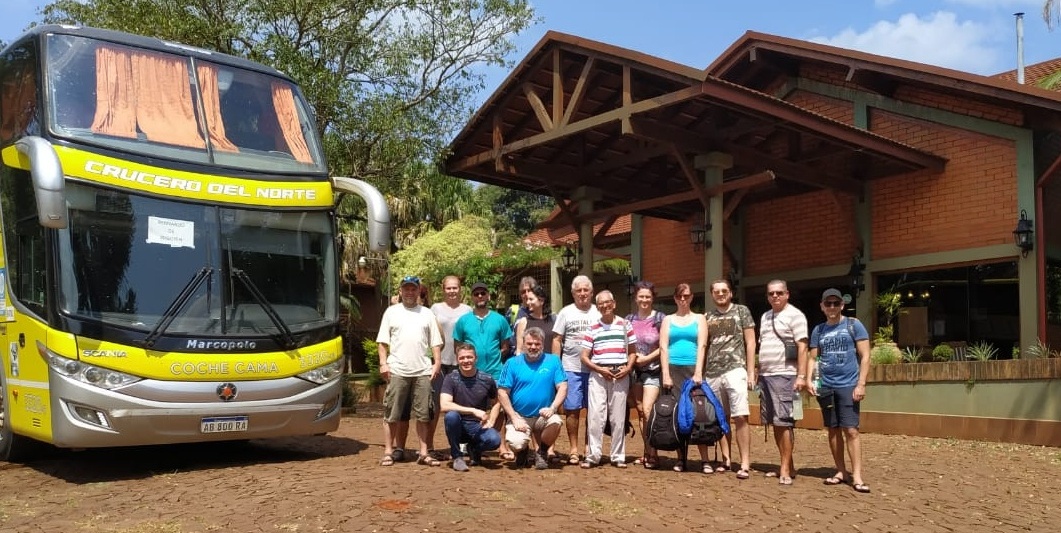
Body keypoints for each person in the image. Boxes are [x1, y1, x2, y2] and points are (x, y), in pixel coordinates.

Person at [808, 288, 872, 494]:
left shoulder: (854, 325)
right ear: (822, 306)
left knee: (851, 430)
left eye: (836, 303)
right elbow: (813, 359)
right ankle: (841, 471)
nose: (832, 307)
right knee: (833, 429)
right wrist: (812, 381)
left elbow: (866, 356)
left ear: (842, 305)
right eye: (828, 304)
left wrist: (861, 384)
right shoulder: (818, 330)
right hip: (826, 385)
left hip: (848, 385)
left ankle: (857, 476)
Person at [376, 275, 443, 467]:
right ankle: (389, 451)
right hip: (397, 369)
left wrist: (436, 362)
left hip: (422, 370)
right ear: (400, 290)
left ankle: (423, 452)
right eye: (406, 288)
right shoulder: (391, 312)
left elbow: (435, 342)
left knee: (424, 414)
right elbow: (382, 342)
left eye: (413, 289)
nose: (409, 292)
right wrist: (383, 363)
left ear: (418, 291)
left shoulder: (427, 313)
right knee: (392, 413)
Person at [700, 279, 756, 479]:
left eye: (724, 291)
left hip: (735, 370)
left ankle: (745, 463)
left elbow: (750, 342)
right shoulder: (707, 317)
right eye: (716, 291)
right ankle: (726, 459)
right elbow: (704, 346)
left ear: (731, 293)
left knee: (740, 416)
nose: (721, 294)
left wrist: (750, 371)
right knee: (720, 419)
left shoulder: (742, 311)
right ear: (712, 295)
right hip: (713, 372)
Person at [453, 282, 514, 457]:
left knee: (500, 407)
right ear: (472, 297)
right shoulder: (464, 320)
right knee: (468, 407)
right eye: (476, 294)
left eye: (483, 293)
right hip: (470, 373)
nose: (480, 296)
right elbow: (458, 346)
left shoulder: (499, 319)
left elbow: (505, 345)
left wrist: (492, 357)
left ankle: (499, 444)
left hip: (495, 371)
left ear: (488, 296)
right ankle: (470, 442)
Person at [757, 280, 809, 486]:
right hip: (767, 376)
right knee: (775, 422)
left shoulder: (795, 315)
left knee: (784, 421)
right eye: (771, 294)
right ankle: (789, 465)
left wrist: (801, 376)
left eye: (779, 293)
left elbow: (802, 347)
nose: (775, 296)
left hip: (786, 375)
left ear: (787, 294)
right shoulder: (765, 316)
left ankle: (785, 469)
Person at [578, 290, 637, 468]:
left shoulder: (625, 324)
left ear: (614, 303)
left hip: (620, 374)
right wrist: (599, 369)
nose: (605, 306)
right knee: (596, 416)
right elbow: (584, 356)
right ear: (598, 307)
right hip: (598, 374)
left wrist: (627, 368)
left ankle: (618, 456)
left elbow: (633, 352)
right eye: (601, 303)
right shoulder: (593, 327)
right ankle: (593, 455)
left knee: (618, 417)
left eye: (608, 302)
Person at [497, 327, 568, 470]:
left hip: (543, 415)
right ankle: (522, 452)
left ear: (542, 344)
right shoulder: (512, 363)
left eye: (537, 344)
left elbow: (563, 387)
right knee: (516, 443)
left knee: (556, 422)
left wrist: (553, 408)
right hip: (520, 417)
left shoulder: (553, 361)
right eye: (529, 344)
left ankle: (541, 452)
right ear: (523, 343)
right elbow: (502, 392)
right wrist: (513, 416)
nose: (533, 347)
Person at [551, 275, 601, 465]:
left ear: (591, 292)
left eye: (585, 290)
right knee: (572, 410)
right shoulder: (566, 312)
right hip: (570, 367)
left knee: (593, 410)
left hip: (595, 368)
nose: (582, 294)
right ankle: (573, 449)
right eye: (578, 290)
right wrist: (556, 367)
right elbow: (557, 339)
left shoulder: (598, 312)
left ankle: (589, 447)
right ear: (573, 293)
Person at [659, 282, 709, 472]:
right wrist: (665, 374)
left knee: (699, 412)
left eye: (686, 296)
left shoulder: (700, 318)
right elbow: (663, 347)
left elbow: (702, 345)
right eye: (679, 296)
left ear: (691, 297)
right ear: (674, 298)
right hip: (673, 369)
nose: (683, 299)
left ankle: (704, 460)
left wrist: (698, 371)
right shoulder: (667, 320)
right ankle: (681, 458)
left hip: (693, 369)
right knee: (678, 413)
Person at [428, 275, 472, 459]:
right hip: (439, 363)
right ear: (443, 289)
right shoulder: (435, 308)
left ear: (460, 289)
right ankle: (429, 446)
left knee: (460, 405)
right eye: (449, 288)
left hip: (460, 365)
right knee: (435, 405)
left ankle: (461, 446)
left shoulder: (468, 310)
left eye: (455, 288)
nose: (452, 291)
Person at [440, 342, 502, 471]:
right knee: (451, 416)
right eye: (462, 358)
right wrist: (473, 411)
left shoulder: (486, 379)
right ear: (457, 360)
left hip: (477, 426)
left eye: (469, 357)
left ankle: (474, 449)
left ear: (476, 358)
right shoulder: (451, 378)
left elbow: (496, 402)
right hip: (458, 425)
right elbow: (444, 405)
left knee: (494, 440)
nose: (466, 361)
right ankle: (457, 456)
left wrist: (491, 420)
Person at [625, 281, 664, 469]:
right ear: (636, 298)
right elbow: (624, 345)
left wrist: (647, 357)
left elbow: (665, 346)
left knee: (648, 410)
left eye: (648, 296)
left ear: (652, 298)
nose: (644, 300)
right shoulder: (629, 319)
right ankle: (647, 450)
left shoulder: (660, 318)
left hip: (653, 369)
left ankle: (654, 452)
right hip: (635, 371)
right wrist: (633, 358)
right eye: (641, 296)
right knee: (640, 412)